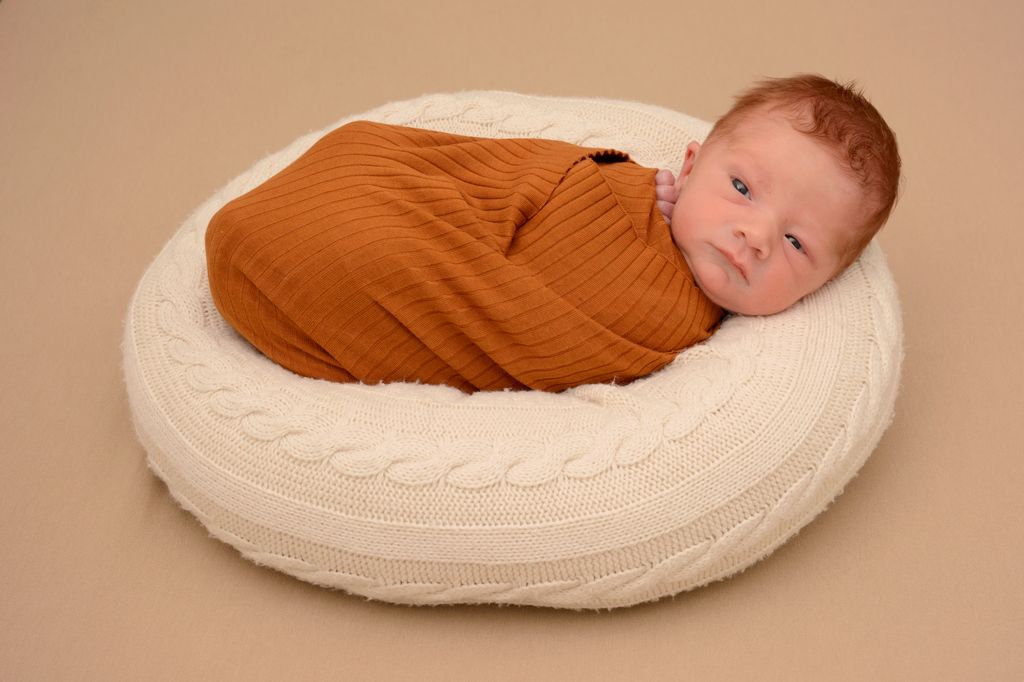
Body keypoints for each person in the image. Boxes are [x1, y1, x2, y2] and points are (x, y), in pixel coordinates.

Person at [206, 74, 900, 393]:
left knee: (365, 256)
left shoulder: (673, 323)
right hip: (412, 190)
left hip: (328, 256)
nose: (754, 234)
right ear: (689, 167)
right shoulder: (633, 189)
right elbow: (516, 177)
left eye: (796, 244)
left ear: (823, 285)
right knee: (364, 156)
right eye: (742, 189)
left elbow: (541, 328)